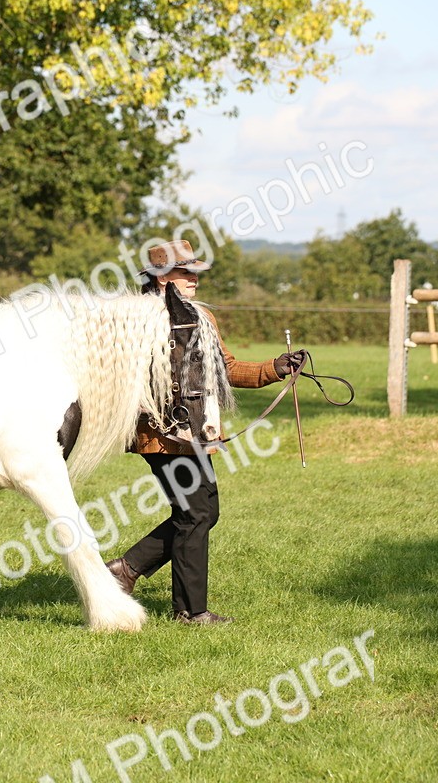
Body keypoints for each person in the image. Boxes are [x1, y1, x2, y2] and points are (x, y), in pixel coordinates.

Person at [106, 239, 302, 625]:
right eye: (185, 272)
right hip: (163, 435)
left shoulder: (201, 318)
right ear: (162, 278)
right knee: (196, 513)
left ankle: (124, 571)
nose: (194, 278)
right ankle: (190, 611)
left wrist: (275, 368)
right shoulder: (138, 320)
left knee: (201, 512)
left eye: (195, 271)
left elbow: (227, 369)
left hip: (198, 429)